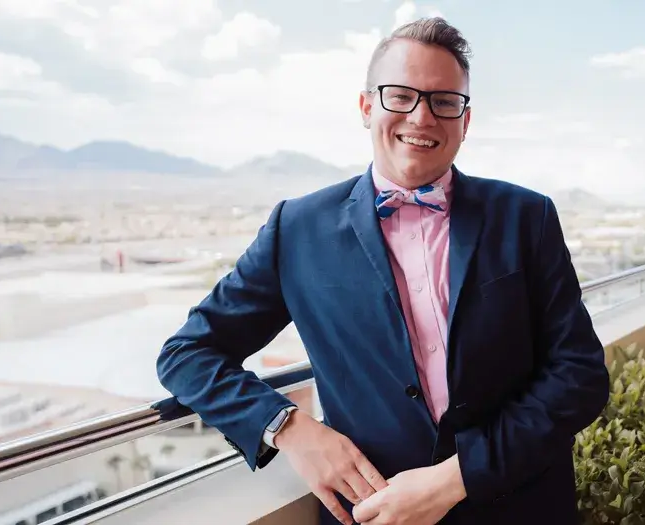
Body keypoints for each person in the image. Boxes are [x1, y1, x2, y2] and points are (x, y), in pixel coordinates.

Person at [156, 16, 609, 525]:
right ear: (367, 106)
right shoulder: (297, 229)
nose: (421, 118)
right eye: (400, 95)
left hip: (523, 509)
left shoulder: (526, 217)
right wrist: (289, 427)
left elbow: (580, 375)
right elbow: (187, 353)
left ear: (465, 120)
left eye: (443, 101)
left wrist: (455, 478)